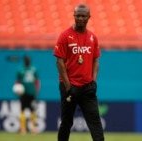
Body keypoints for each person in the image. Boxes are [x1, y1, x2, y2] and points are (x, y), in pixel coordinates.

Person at [53, 4, 105, 141]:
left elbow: (96, 61)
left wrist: (93, 81)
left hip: (87, 87)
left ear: (89, 17)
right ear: (74, 16)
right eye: (77, 15)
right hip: (69, 87)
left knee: (95, 121)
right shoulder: (65, 36)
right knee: (66, 122)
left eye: (83, 16)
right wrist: (68, 86)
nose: (80, 18)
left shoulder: (93, 37)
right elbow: (59, 62)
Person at [14, 55, 40, 135]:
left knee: (33, 111)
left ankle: (34, 129)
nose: (28, 61)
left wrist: (37, 90)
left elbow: (37, 81)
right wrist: (17, 90)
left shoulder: (34, 69)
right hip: (23, 93)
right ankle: (23, 129)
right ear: (24, 60)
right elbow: (17, 82)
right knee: (22, 110)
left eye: (29, 60)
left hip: (32, 93)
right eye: (27, 60)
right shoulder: (20, 70)